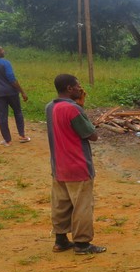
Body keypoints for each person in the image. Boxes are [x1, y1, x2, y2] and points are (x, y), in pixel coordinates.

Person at [45, 74, 106, 254]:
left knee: (61, 204)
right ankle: (81, 243)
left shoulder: (50, 107)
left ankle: (60, 240)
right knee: (82, 205)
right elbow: (91, 135)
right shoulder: (73, 109)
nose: (81, 88)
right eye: (78, 85)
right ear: (70, 88)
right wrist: (82, 111)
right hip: (77, 165)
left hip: (58, 165)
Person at [0, 45, 30, 146]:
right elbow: (11, 78)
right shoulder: (5, 63)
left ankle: (7, 140)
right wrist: (22, 91)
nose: (3, 51)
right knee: (18, 112)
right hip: (11, 92)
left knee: (2, 116)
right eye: (1, 50)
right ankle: (22, 136)